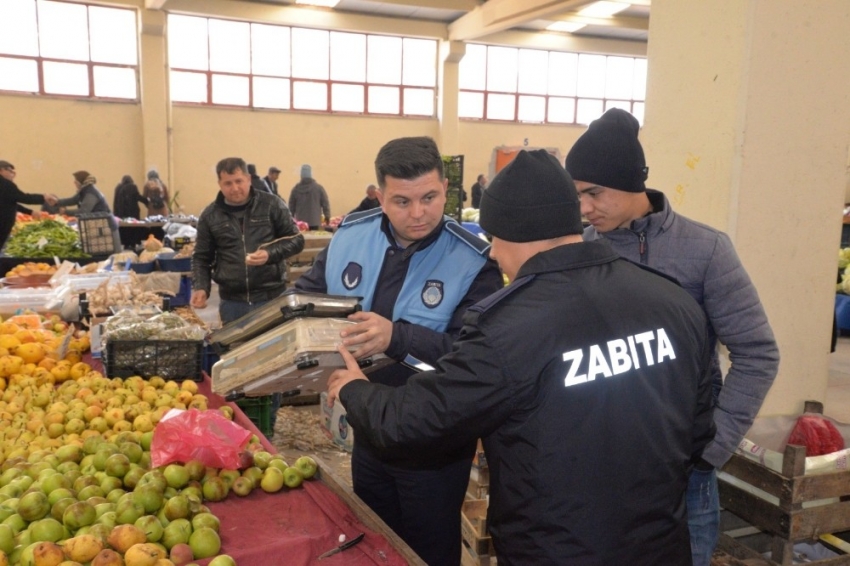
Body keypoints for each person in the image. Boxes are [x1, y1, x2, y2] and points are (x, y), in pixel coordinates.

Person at [327, 149, 715, 566]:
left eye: (495, 240)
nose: (493, 254)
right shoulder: (673, 302)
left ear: (514, 233)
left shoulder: (507, 329)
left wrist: (354, 390)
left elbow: (416, 420)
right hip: (658, 544)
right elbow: (699, 423)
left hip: (556, 546)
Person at [565, 108, 780, 566]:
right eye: (577, 195)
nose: (584, 208)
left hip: (684, 472)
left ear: (630, 181)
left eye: (594, 192)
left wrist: (713, 447)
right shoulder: (579, 252)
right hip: (598, 462)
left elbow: (757, 352)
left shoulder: (705, 251)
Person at [296, 136, 503, 566]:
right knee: (376, 541)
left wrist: (399, 338)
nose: (418, 213)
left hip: (435, 445)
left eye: (429, 198)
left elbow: (471, 359)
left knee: (428, 550)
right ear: (380, 196)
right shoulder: (350, 237)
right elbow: (305, 299)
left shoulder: (474, 261)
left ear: (446, 188)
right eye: (402, 201)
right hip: (368, 425)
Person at [191, 157, 304, 325]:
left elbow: (296, 240)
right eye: (228, 183)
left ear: (249, 179)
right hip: (232, 303)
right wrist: (201, 287)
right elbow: (201, 257)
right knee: (236, 350)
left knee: (273, 349)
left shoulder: (272, 205)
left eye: (239, 181)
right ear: (220, 184)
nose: (235, 188)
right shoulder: (210, 216)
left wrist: (269, 254)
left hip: (271, 298)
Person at [56, 171, 122, 253]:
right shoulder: (84, 191)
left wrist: (66, 211)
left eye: (75, 182)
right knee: (99, 252)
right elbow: (72, 200)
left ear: (81, 182)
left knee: (110, 254)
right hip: (98, 226)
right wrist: (57, 202)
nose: (74, 183)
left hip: (106, 227)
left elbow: (84, 211)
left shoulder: (91, 192)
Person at [0, 160, 57, 251]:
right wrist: (44, 197)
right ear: (1, 170)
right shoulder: (6, 184)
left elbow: (11, 202)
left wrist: (30, 212)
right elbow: (24, 198)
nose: (12, 174)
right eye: (10, 171)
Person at [288, 164, 330, 230]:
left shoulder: (295, 190)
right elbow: (325, 203)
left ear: (301, 175)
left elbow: (291, 207)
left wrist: (290, 219)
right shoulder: (318, 188)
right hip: (315, 222)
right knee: (314, 240)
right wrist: (327, 216)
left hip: (301, 224)